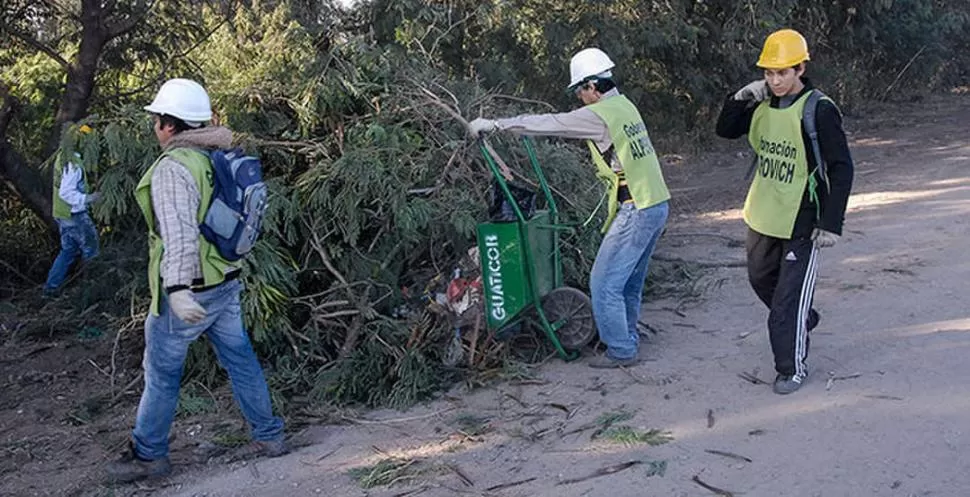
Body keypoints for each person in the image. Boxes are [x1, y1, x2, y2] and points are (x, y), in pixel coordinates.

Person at [107, 78, 287, 482]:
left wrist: (177, 290)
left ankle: (149, 454)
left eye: (157, 120)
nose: (154, 127)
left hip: (189, 292)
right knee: (241, 360)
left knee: (161, 374)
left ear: (170, 126)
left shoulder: (174, 168)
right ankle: (270, 435)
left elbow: (180, 235)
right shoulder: (216, 157)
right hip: (226, 282)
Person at [469, 48, 671, 368]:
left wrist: (495, 125)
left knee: (603, 283)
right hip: (657, 203)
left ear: (593, 85)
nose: (579, 96)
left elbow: (552, 123)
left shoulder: (600, 114)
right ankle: (626, 336)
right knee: (629, 279)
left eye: (580, 89)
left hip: (638, 207)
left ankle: (621, 349)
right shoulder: (624, 105)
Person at [715, 29, 854, 394]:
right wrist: (740, 97)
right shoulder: (761, 103)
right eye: (769, 73)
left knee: (785, 304)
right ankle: (801, 318)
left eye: (783, 72)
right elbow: (725, 130)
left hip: (803, 219)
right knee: (762, 281)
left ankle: (791, 368)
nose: (775, 80)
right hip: (762, 213)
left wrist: (831, 223)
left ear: (801, 69)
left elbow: (842, 167)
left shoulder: (818, 110)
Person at [43, 125, 100, 297]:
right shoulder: (73, 163)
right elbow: (66, 192)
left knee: (68, 251)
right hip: (74, 215)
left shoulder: (62, 156)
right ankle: (91, 293)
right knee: (92, 252)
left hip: (62, 215)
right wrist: (90, 198)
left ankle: (50, 290)